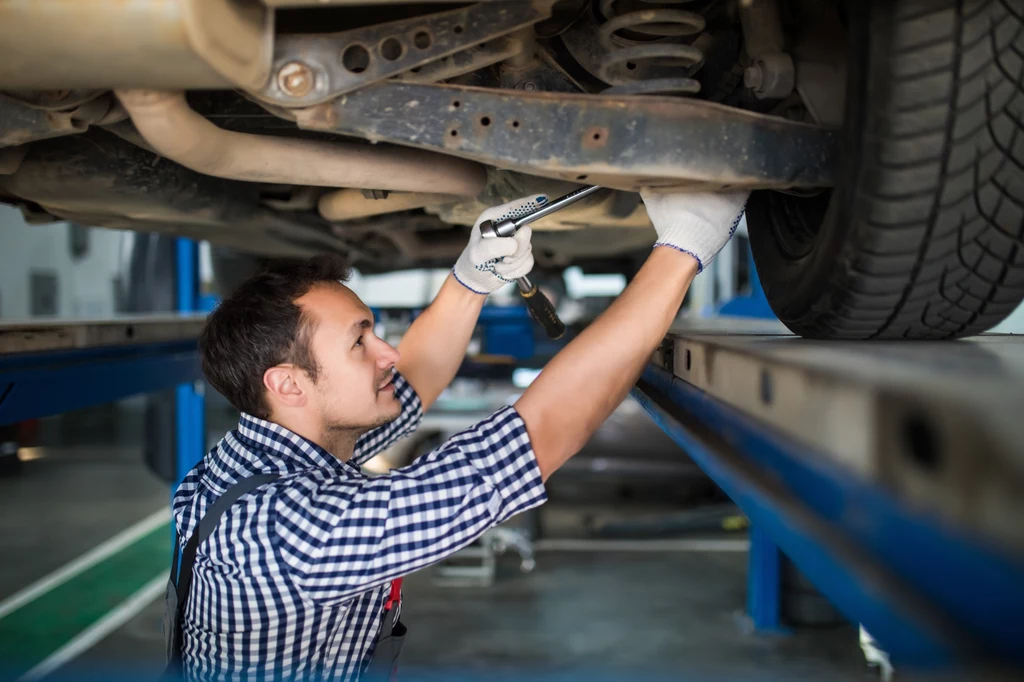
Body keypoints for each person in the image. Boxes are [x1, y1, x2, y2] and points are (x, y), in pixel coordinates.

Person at [169, 188, 749, 681]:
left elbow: (414, 377)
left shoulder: (268, 448)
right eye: (359, 342)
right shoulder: (300, 533)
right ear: (289, 383)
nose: (387, 353)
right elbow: (539, 433)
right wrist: (684, 245)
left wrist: (474, 276)